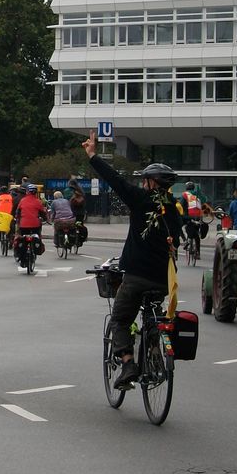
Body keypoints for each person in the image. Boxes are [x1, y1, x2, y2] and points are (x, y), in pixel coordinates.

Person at [82, 131, 182, 390]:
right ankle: (154, 352)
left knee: (120, 320)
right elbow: (176, 242)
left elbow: (115, 180)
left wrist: (93, 155)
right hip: (164, 280)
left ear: (150, 182)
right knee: (153, 316)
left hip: (137, 276)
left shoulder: (141, 200)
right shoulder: (173, 208)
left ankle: (128, 363)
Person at [13, 184, 47, 264]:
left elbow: (18, 212)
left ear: (27, 192)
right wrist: (45, 219)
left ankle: (19, 254)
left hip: (23, 225)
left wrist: (17, 219)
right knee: (38, 236)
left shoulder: (23, 201)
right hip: (35, 225)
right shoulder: (38, 202)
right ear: (35, 193)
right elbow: (43, 213)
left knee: (19, 237)